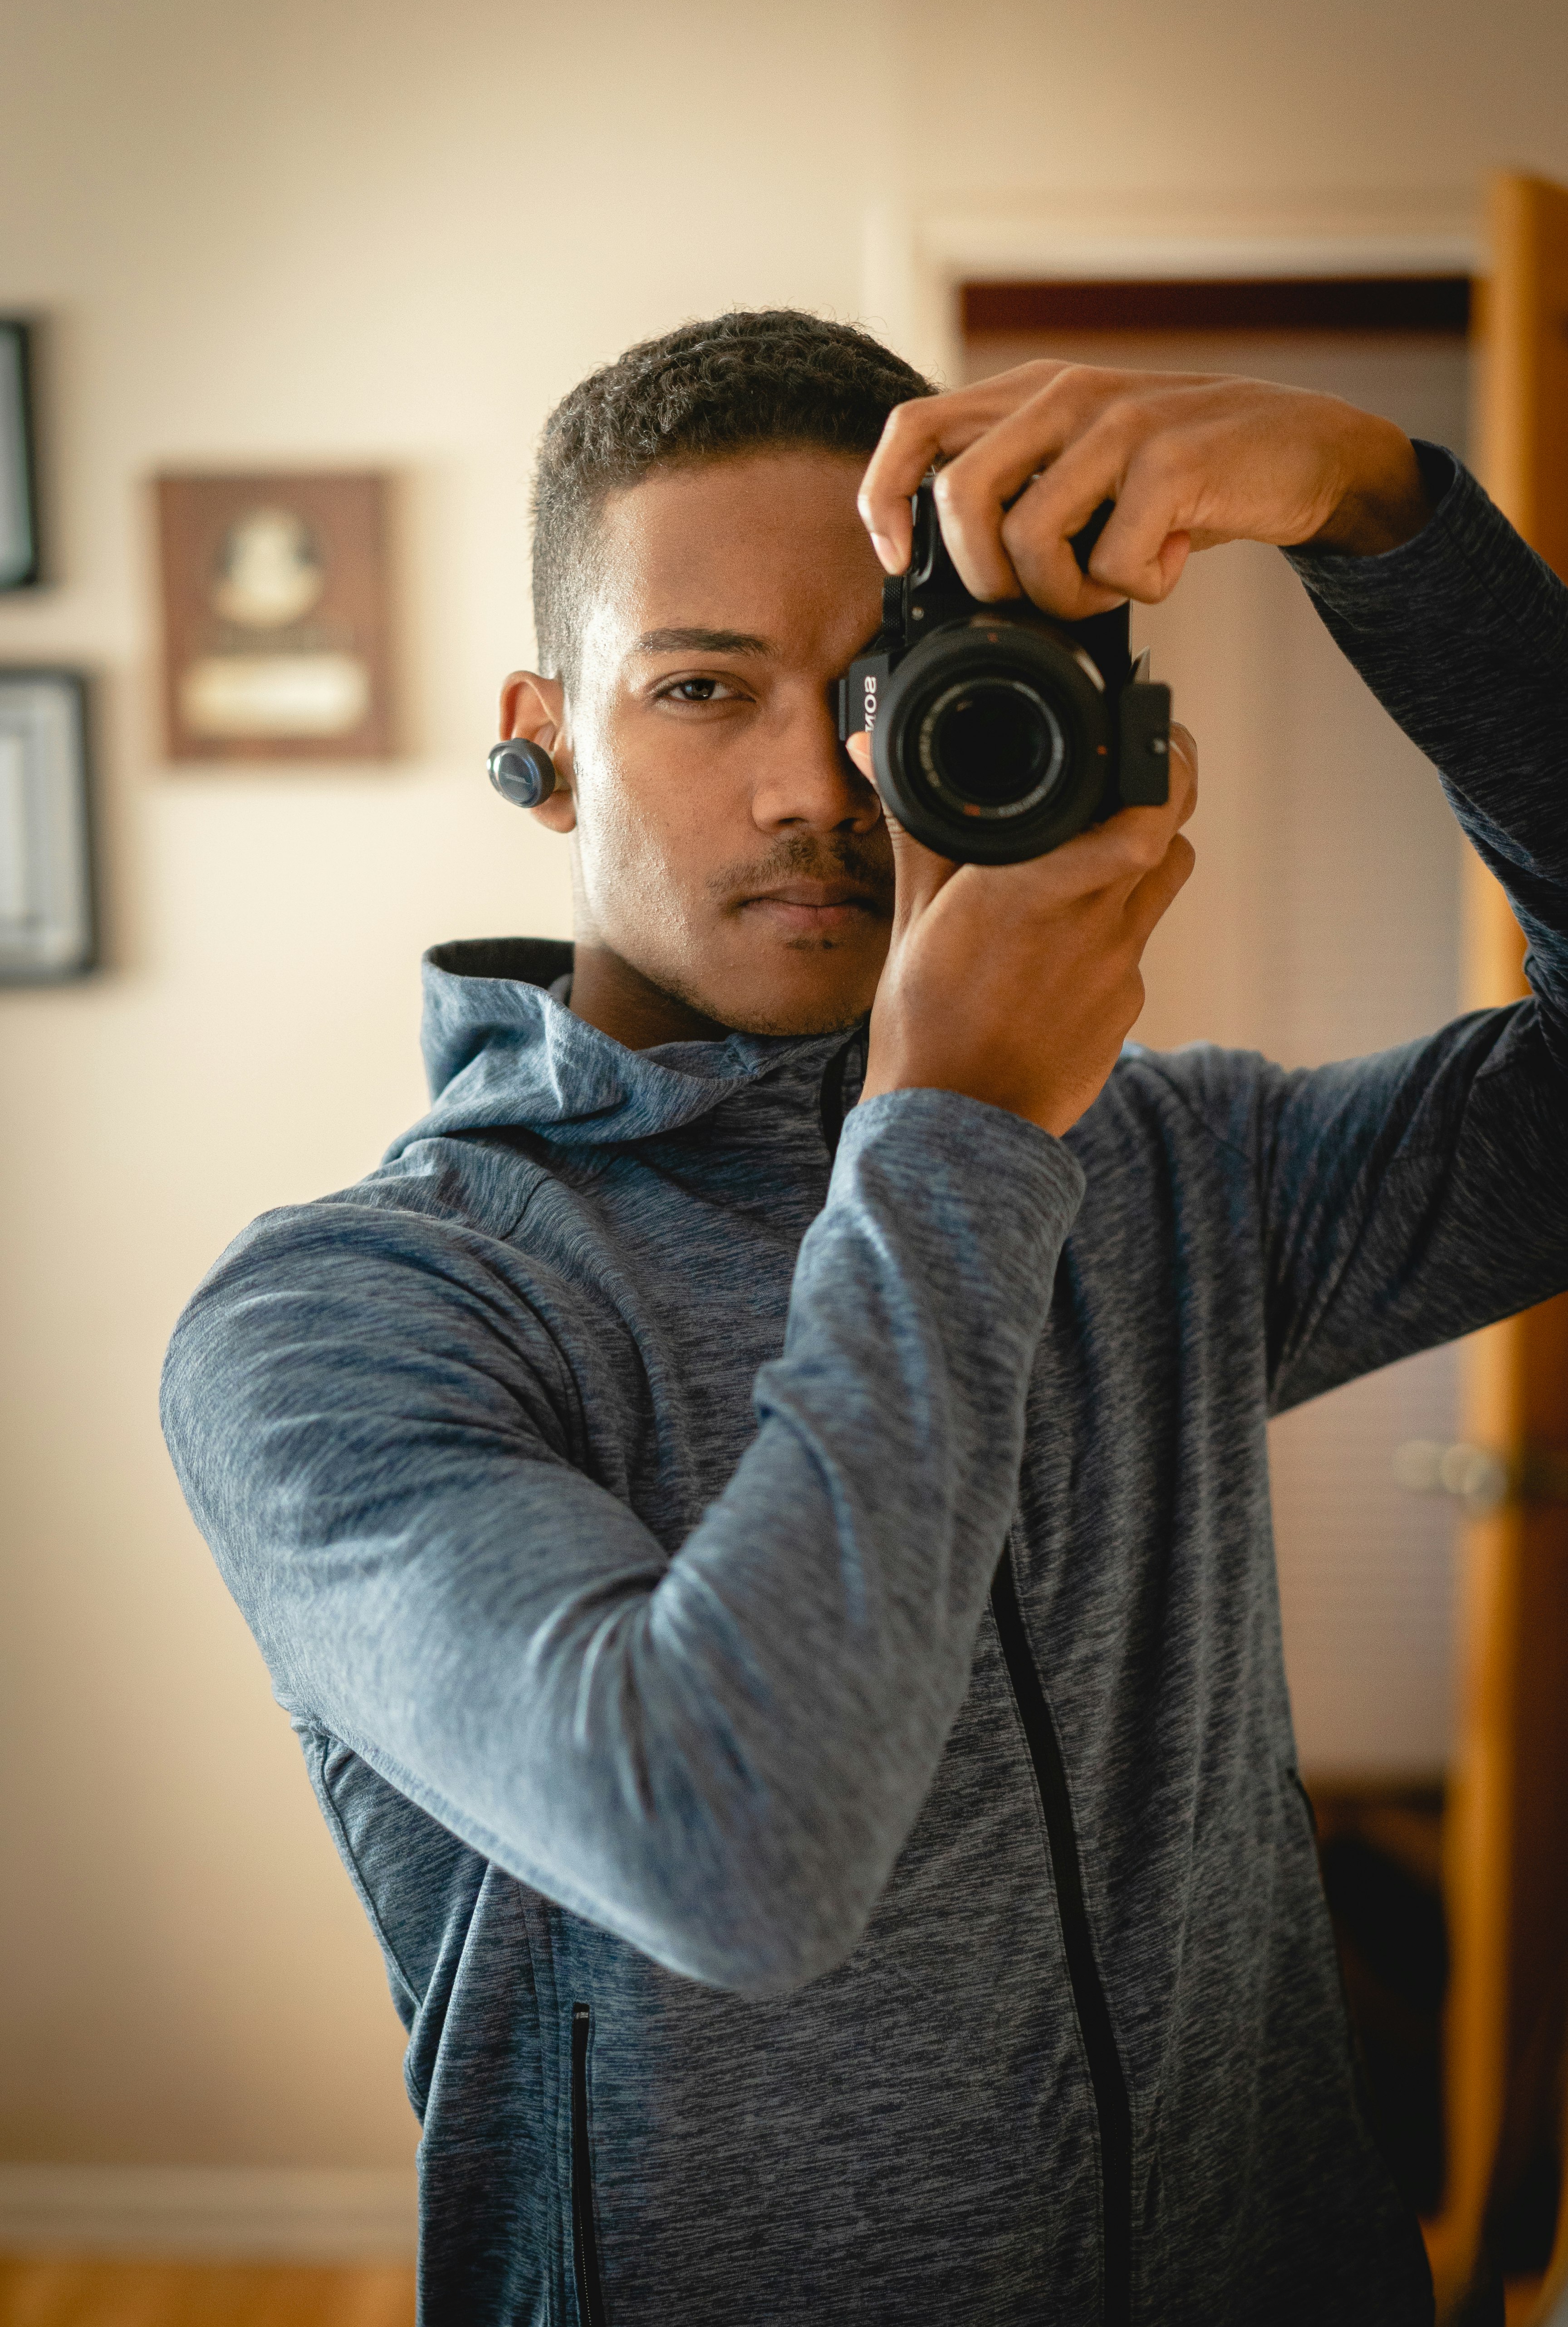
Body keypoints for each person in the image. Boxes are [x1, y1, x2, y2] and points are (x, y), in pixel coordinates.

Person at [161, 309, 1568, 2327]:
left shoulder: (1161, 1172)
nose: (814, 784)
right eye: (702, 687)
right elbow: (729, 1847)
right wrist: (960, 1138)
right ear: (541, 737)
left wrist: (1380, 506)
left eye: (877, 685)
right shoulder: (351, 1313)